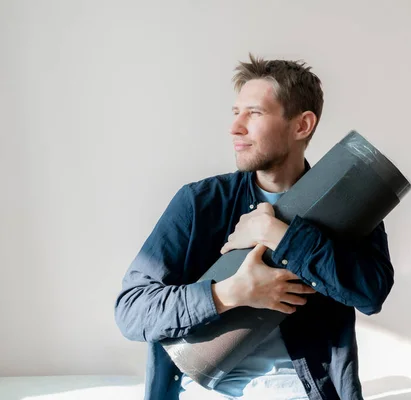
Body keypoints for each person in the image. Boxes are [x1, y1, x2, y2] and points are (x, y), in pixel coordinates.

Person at [114, 53, 395, 400]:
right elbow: (131, 310)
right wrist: (228, 294)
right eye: (236, 113)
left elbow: (371, 293)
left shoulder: (347, 207)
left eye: (254, 113)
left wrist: (278, 234)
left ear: (302, 125)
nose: (235, 127)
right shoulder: (199, 203)